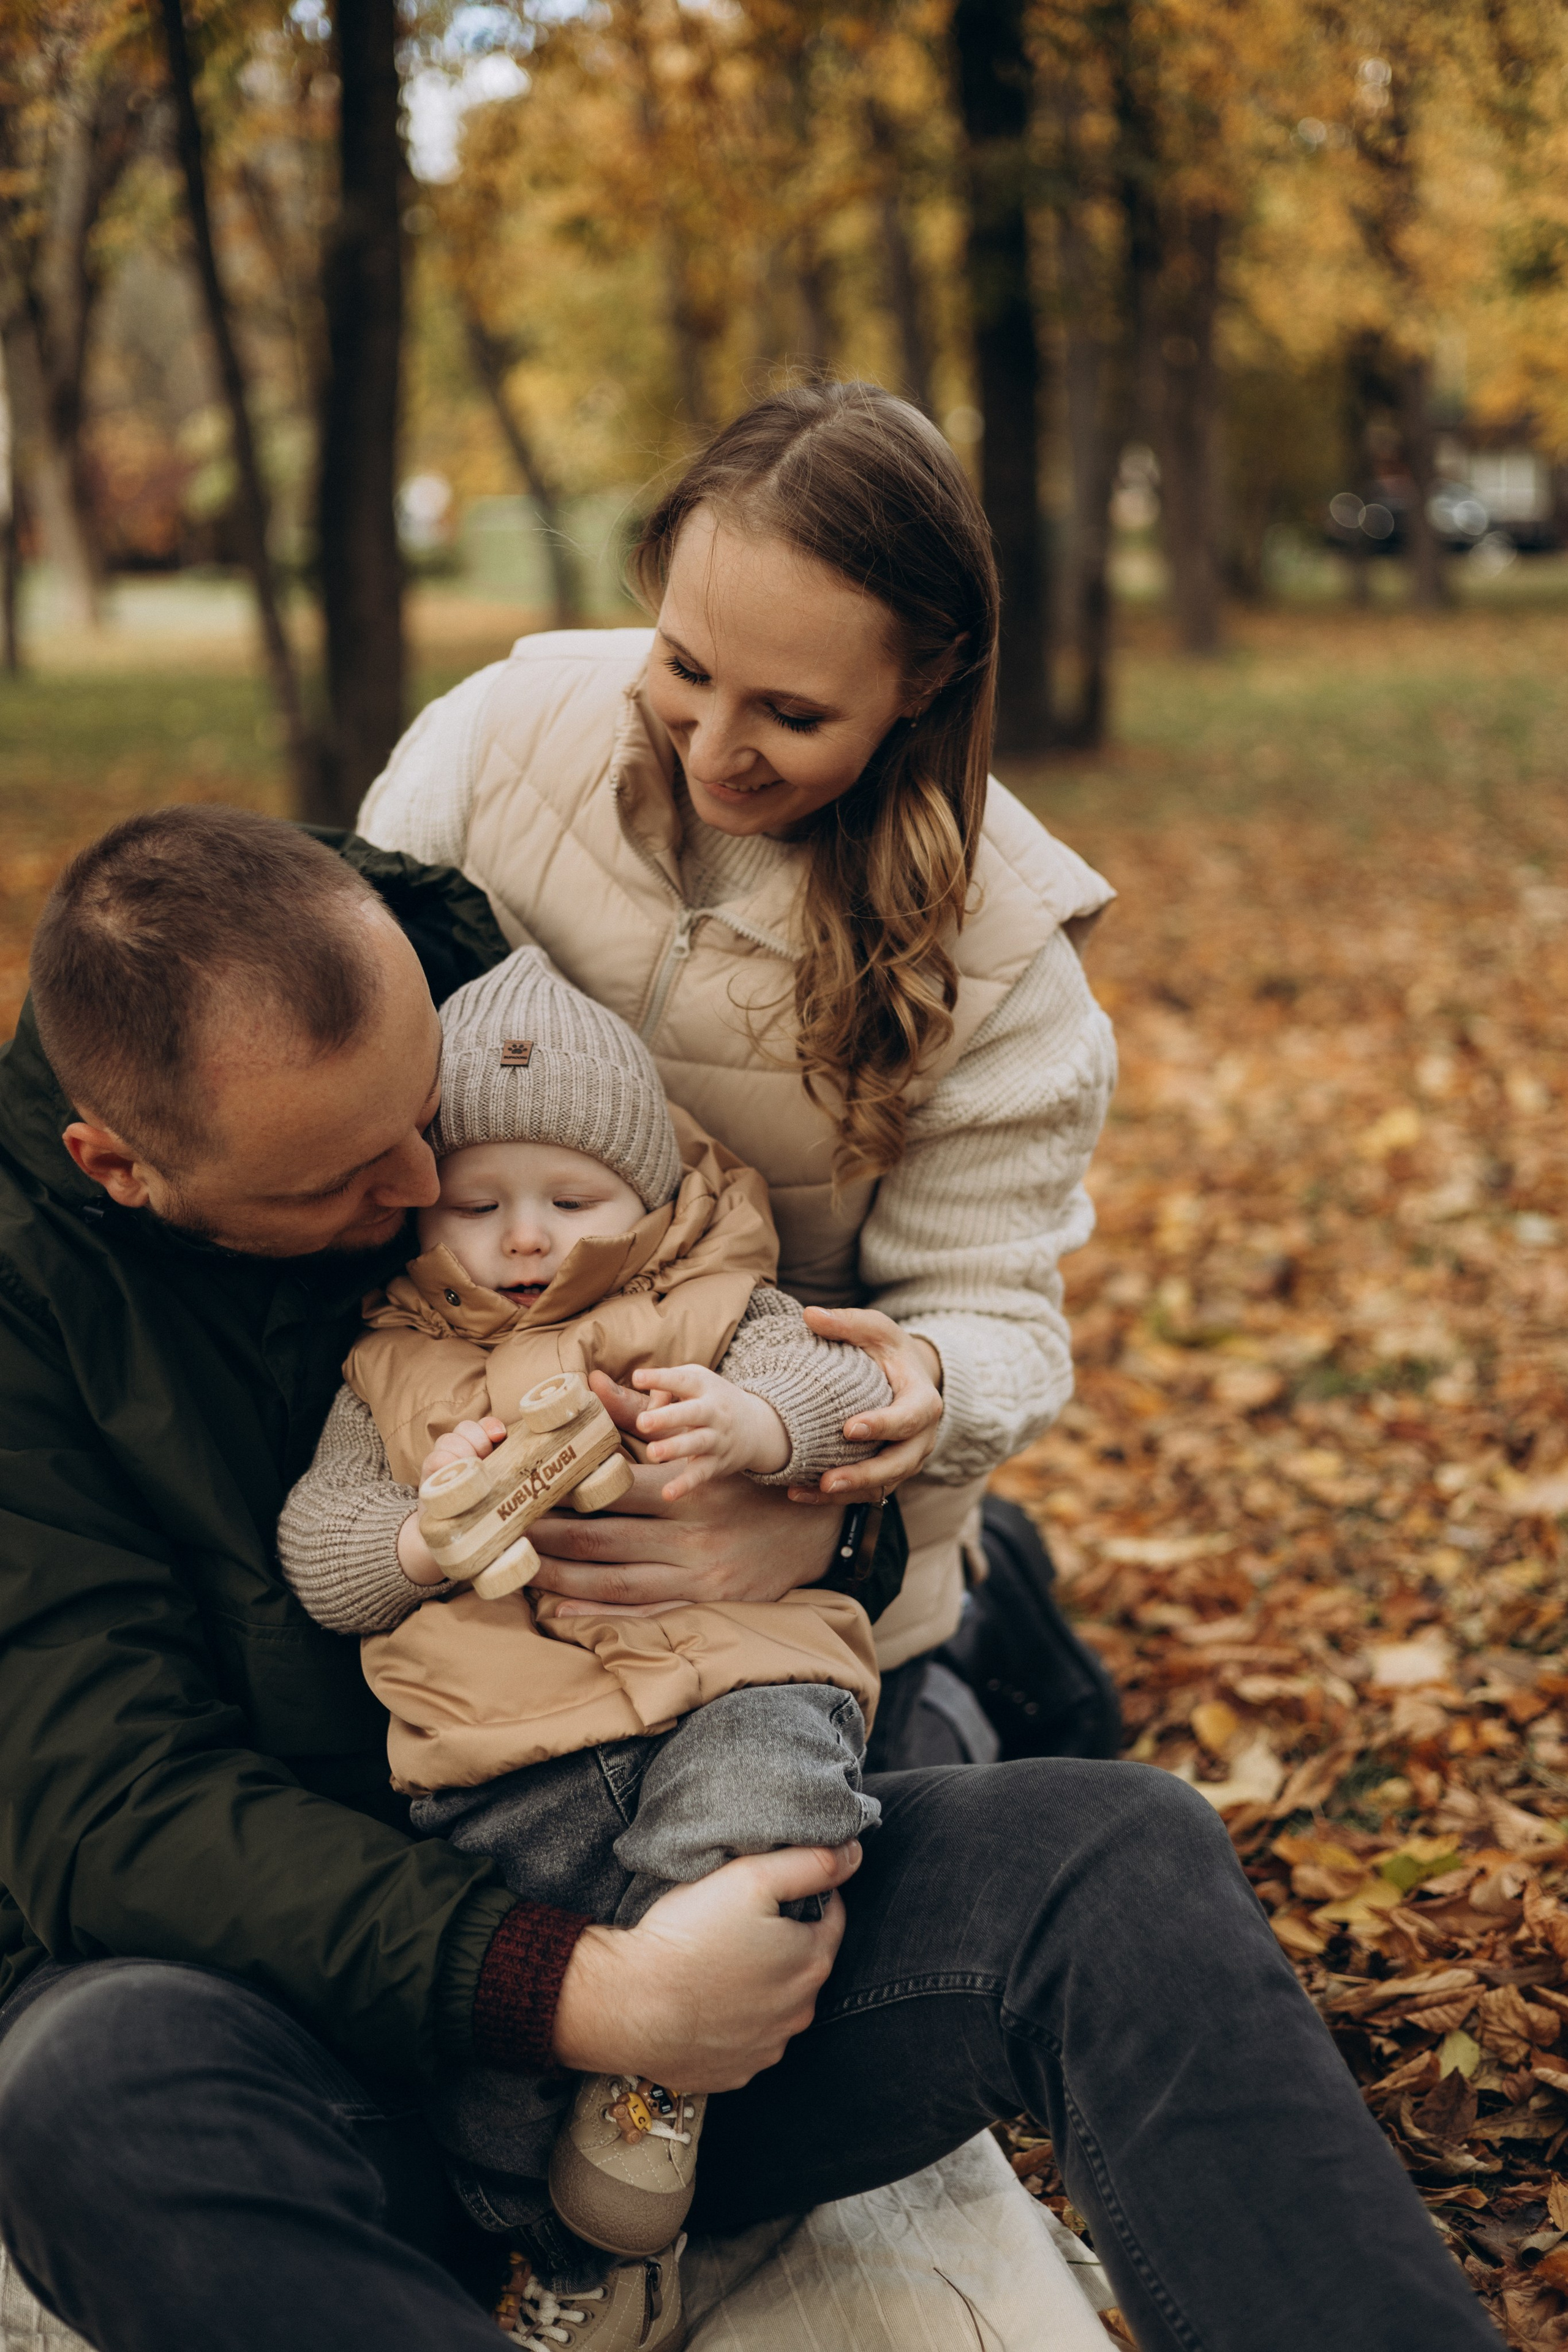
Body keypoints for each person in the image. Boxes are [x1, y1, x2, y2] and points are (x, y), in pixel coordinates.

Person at [0, 408, 1496, 2349]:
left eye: (428, 1136)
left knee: (1122, 1852)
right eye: (342, 1182)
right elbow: (104, 1811)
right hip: (337, 1997)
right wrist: (582, 1988)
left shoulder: (453, 987)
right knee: (82, 2085)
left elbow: (768, 1336)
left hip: (664, 1831)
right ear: (130, 1168)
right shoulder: (34, 1307)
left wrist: (794, 1520)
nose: (420, 1202)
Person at [357, 380, 1125, 1777]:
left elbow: (990, 1315)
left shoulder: (1004, 964)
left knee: (873, 1828)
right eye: (685, 668)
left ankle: (974, 1640)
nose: (715, 749)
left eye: (790, 711)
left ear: (923, 683)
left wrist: (851, 1476)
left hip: (793, 1540)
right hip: (460, 1500)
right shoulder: (485, 754)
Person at [277, 944, 902, 2303]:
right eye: (476, 1204)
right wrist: (418, 1529)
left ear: (648, 1192)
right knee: (495, 2077)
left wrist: (752, 1425)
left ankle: (649, 2088)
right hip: (515, 1749)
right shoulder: (391, 1362)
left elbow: (825, 1386)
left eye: (572, 1197)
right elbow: (319, 1554)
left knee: (776, 1800)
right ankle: (540, 2241)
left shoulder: (714, 1300)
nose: (524, 1237)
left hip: (729, 1677)